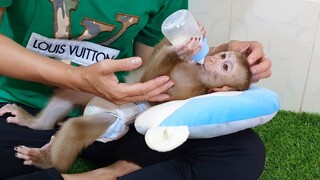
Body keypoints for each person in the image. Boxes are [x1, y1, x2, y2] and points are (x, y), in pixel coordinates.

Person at [0, 1, 272, 180]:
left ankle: (105, 174)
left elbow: (150, 68)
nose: (218, 61)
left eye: (224, 66)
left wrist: (212, 52)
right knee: (13, 163)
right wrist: (77, 77)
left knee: (242, 151)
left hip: (121, 112)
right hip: (26, 101)